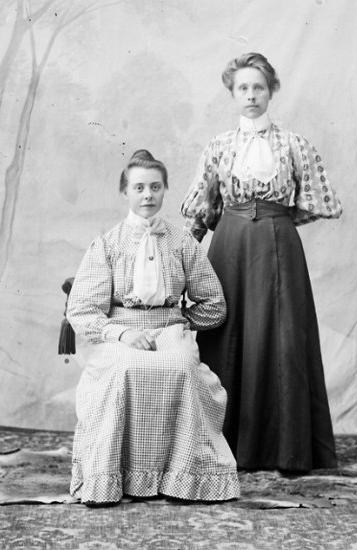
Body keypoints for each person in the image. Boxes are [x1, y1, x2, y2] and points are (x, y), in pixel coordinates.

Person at [181, 53, 342, 472]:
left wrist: (273, 222)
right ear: (233, 94)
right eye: (243, 88)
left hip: (278, 247)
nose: (251, 95)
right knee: (226, 337)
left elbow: (314, 203)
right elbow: (201, 211)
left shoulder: (295, 145)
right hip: (229, 250)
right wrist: (178, 261)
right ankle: (221, 446)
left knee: (283, 339)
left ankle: (286, 449)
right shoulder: (219, 145)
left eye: (258, 87)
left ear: (272, 91)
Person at [67, 150, 240, 506]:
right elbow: (82, 310)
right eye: (139, 187)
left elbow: (214, 304)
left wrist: (178, 324)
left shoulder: (182, 242)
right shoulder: (107, 244)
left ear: (164, 190)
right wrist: (123, 333)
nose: (148, 195)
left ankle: (182, 478)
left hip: (170, 329)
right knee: (123, 368)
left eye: (155, 187)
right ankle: (110, 477)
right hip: (120, 331)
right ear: (125, 192)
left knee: (182, 366)